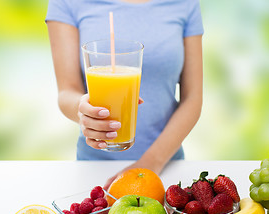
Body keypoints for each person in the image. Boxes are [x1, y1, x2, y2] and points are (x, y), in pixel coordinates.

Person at [45, 0, 203, 189]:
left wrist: (149, 165)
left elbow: (192, 98)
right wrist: (82, 111)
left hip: (168, 168)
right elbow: (66, 91)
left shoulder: (185, 3)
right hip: (93, 171)